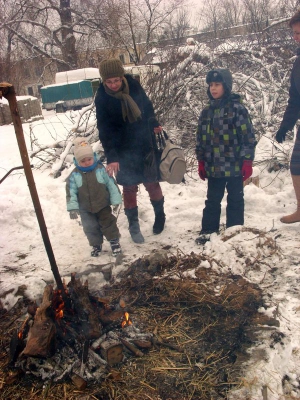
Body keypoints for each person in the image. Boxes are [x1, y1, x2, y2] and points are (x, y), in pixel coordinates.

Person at [95, 58, 165, 244]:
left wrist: (154, 122)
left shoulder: (133, 86)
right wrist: (112, 156)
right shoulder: (102, 98)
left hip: (143, 143)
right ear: (104, 81)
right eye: (109, 82)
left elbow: (147, 107)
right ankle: (134, 226)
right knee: (129, 188)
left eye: (116, 80)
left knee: (152, 183)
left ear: (122, 76)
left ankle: (160, 216)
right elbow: (104, 130)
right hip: (122, 149)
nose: (114, 84)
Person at [195, 68, 256, 244]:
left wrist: (247, 161)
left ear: (226, 86)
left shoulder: (238, 109)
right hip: (213, 166)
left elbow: (248, 138)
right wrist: (201, 161)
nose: (213, 88)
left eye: (217, 84)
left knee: (235, 199)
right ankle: (208, 230)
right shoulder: (206, 112)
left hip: (235, 166)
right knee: (212, 200)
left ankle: (234, 231)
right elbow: (200, 139)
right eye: (211, 85)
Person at [66, 137, 122, 257]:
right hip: (85, 209)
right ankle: (96, 245)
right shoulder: (75, 175)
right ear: (77, 161)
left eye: (89, 159)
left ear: (94, 157)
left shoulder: (101, 170)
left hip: (103, 205)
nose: (87, 162)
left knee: (108, 224)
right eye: (83, 161)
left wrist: (116, 201)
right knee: (90, 228)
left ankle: (114, 242)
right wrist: (72, 208)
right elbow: (71, 192)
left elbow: (111, 186)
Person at [275, 10, 300, 224]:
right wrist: (285, 126)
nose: (296, 37)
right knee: (297, 166)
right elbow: (295, 100)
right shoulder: (298, 64)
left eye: (299, 32)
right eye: (294, 33)